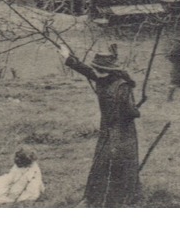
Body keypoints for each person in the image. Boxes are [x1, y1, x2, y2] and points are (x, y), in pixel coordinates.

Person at [59, 43, 142, 207]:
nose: (94, 72)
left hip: (122, 131)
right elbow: (86, 70)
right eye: (95, 69)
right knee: (103, 161)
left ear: (107, 70)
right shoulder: (104, 78)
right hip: (108, 128)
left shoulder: (121, 86)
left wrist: (135, 112)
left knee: (118, 161)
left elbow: (130, 112)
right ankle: (98, 196)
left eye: (97, 69)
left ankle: (120, 197)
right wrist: (67, 57)